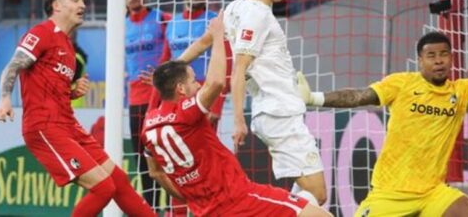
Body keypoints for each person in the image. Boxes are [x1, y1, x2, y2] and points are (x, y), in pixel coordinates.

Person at [297, 24, 468, 216]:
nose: (438, 60)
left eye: (443, 55)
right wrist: (314, 98)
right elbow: (359, 96)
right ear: (420, 60)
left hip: (433, 192)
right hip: (391, 193)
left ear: (451, 59)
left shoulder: (460, 91)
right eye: (431, 56)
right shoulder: (402, 84)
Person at [181, 0, 327, 205]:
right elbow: (239, 69)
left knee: (303, 194)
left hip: (272, 110)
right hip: (279, 112)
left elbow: (205, 41)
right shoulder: (257, 15)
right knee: (317, 193)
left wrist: (173, 66)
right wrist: (238, 120)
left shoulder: (235, 7)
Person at [142, 12, 332, 217]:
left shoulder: (149, 126)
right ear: (180, 89)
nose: (198, 85)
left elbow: (155, 172)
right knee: (319, 214)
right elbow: (215, 83)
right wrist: (217, 37)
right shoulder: (186, 113)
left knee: (310, 198)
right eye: (193, 80)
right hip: (240, 200)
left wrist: (189, 197)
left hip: (205, 210)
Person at [0, 0, 155, 217]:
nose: (83, 5)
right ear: (57, 5)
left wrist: (72, 92)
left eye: (84, 1)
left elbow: (49, 88)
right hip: (45, 127)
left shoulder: (68, 48)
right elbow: (12, 67)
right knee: (103, 187)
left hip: (69, 125)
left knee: (118, 180)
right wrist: (5, 98)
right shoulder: (41, 33)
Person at [125, 0, 171, 206]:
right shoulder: (119, 27)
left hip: (162, 100)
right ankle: (150, 209)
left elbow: (178, 49)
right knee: (143, 161)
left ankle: (175, 208)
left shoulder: (163, 19)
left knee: (168, 157)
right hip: (135, 103)